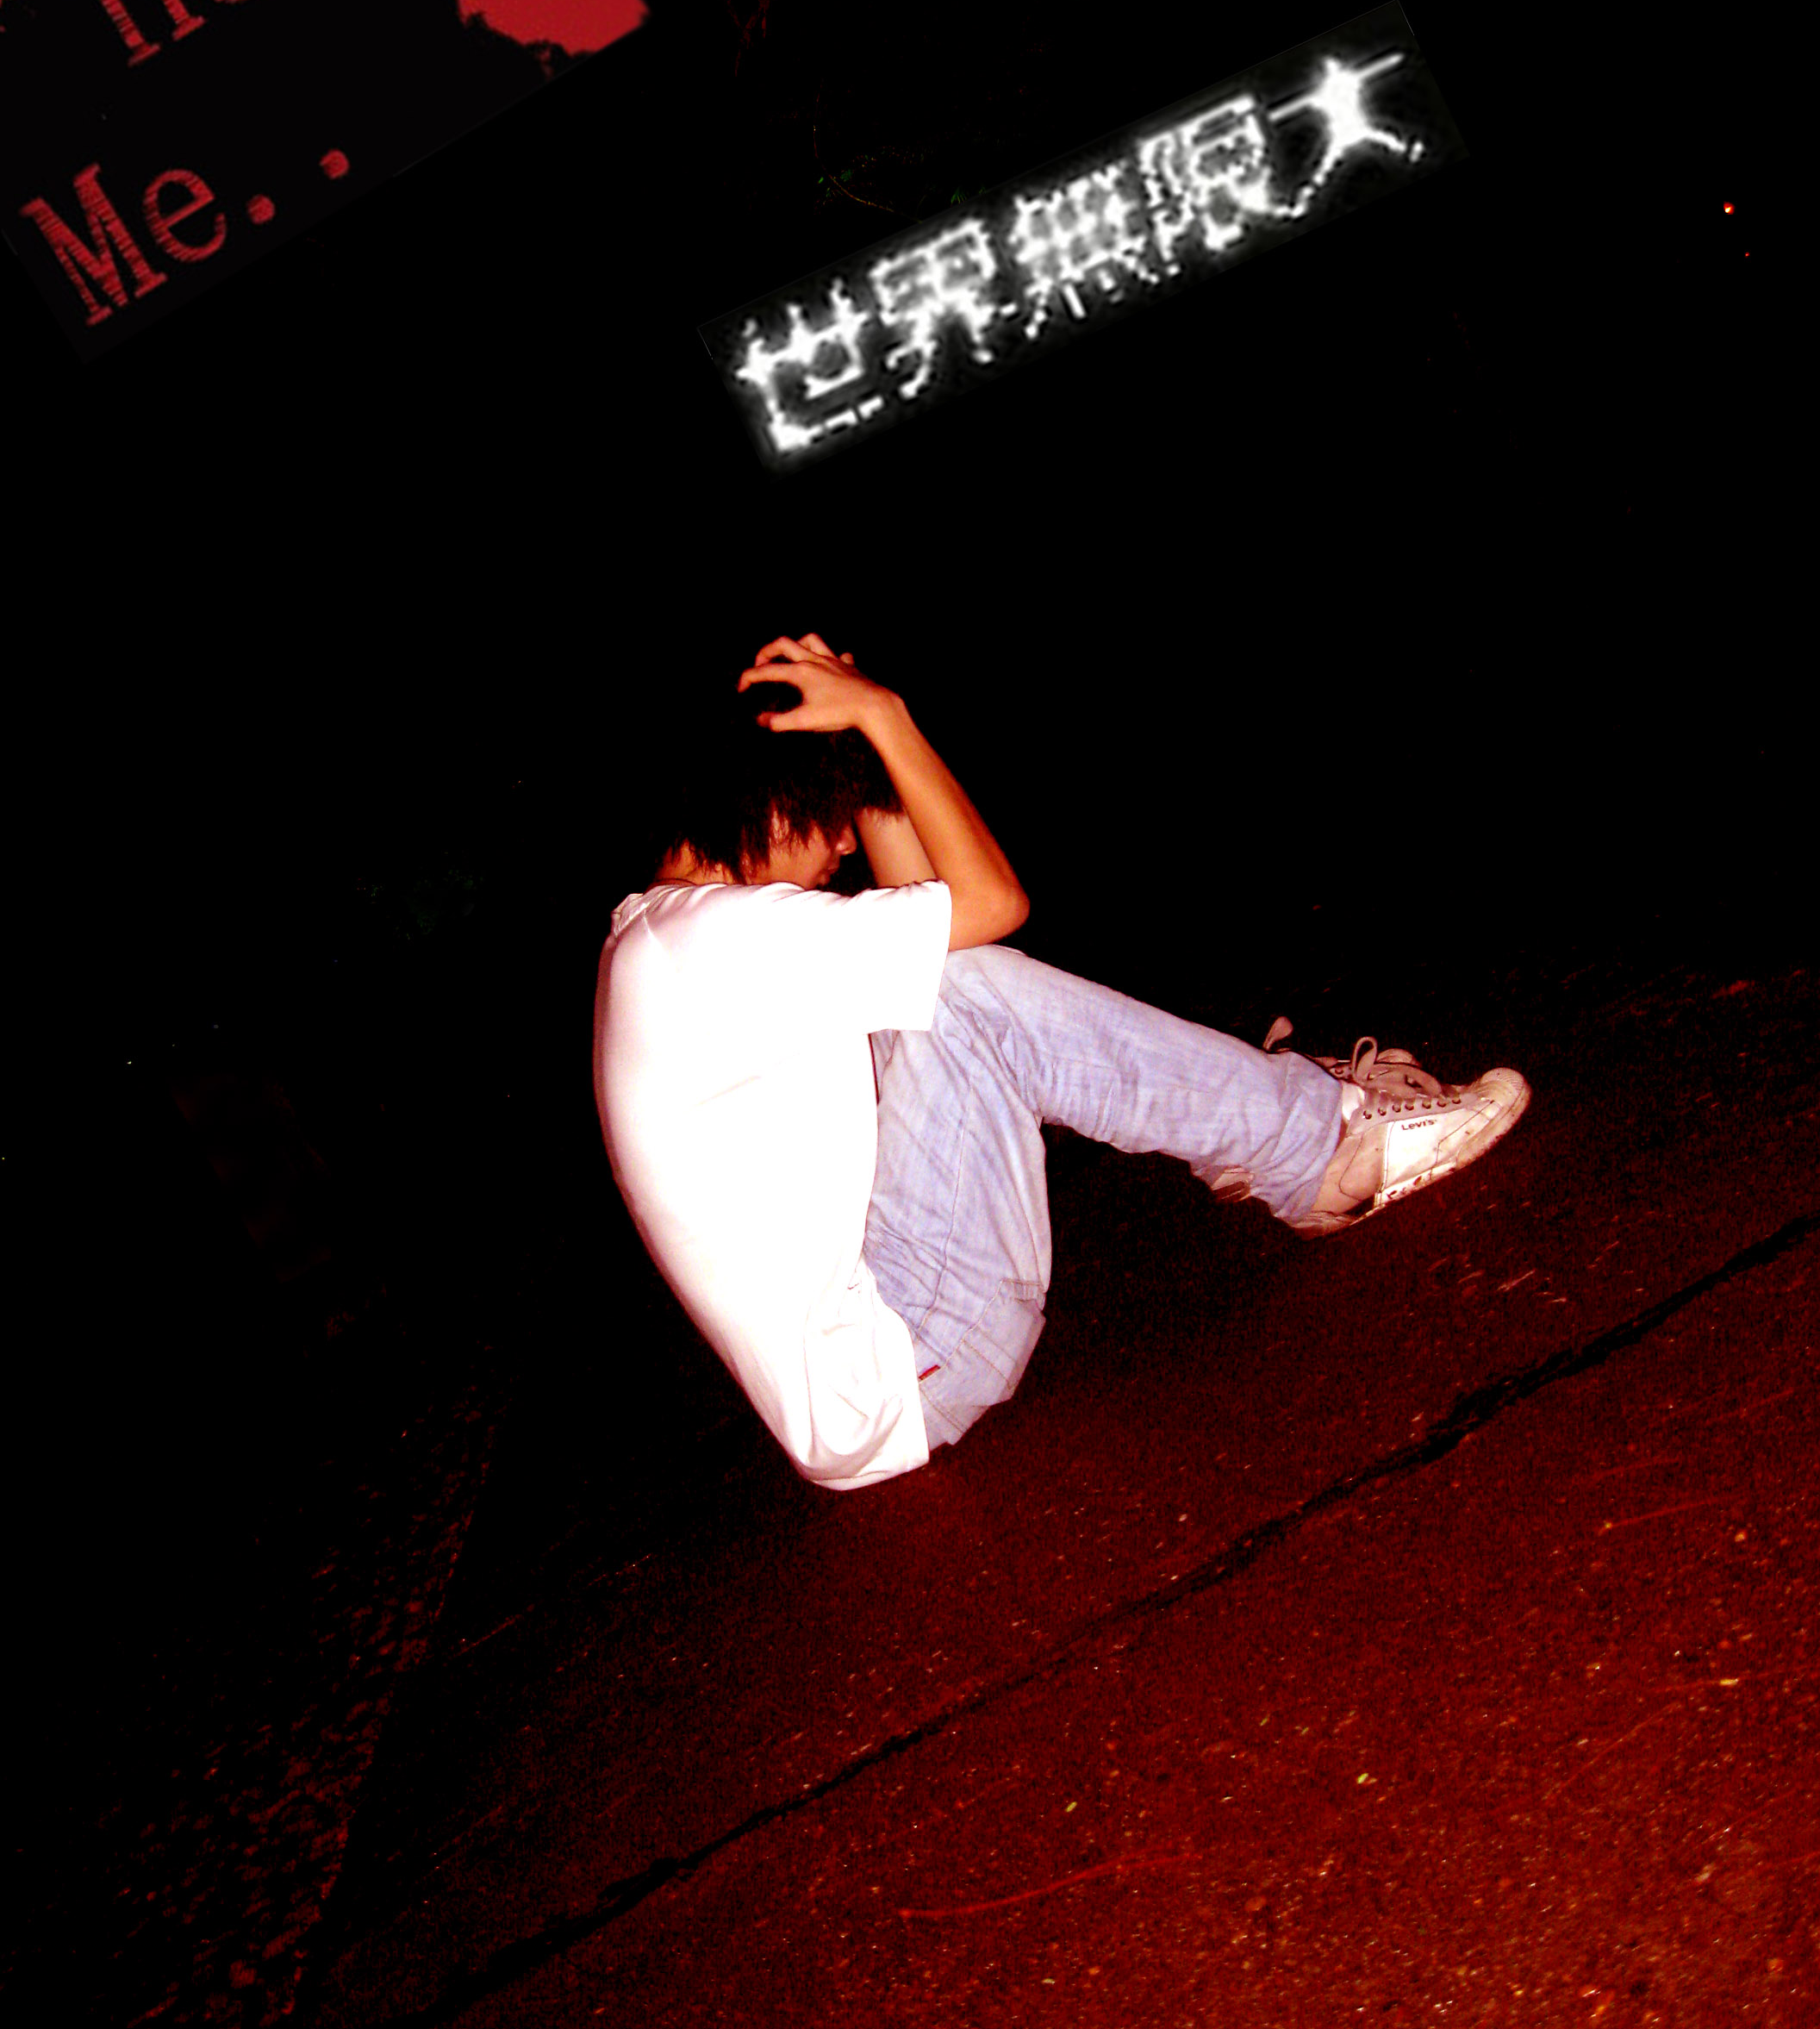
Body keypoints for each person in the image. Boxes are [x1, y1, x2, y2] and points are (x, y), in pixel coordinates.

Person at [593, 634, 1530, 1491]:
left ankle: (1263, 1116)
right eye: (830, 812)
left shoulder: (667, 944)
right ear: (767, 798)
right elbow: (988, 905)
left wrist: (864, 759)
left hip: (874, 1357)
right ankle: (1318, 1147)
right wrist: (886, 716)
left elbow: (934, 924)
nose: (845, 842)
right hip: (910, 1357)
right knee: (973, 997)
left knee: (941, 982)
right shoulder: (717, 940)